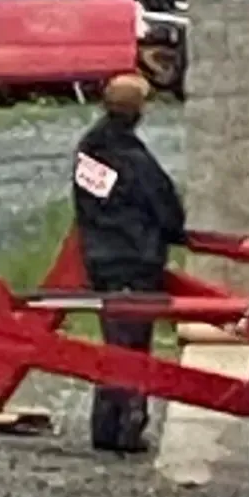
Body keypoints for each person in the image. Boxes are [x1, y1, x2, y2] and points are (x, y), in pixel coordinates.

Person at [72, 72, 187, 455]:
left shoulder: (88, 151)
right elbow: (168, 212)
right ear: (138, 111)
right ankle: (128, 430)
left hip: (101, 259)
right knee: (134, 347)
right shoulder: (135, 160)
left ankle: (105, 427)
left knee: (113, 342)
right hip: (136, 261)